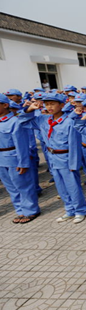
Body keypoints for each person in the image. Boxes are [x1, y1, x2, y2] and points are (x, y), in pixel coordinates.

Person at [21, 93, 86, 223]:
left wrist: (74, 164)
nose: (49, 107)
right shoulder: (43, 119)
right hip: (52, 157)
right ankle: (69, 210)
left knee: (72, 186)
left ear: (62, 105)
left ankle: (80, 210)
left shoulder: (69, 121)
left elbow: (74, 145)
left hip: (66, 157)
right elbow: (22, 121)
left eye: (53, 103)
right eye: (47, 104)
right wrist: (30, 109)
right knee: (60, 186)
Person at [0, 94, 41, 223]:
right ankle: (20, 210)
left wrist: (23, 162)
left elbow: (22, 144)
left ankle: (30, 210)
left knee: (23, 185)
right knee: (11, 187)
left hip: (14, 157)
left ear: (5, 105)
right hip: (1, 159)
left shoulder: (15, 121)